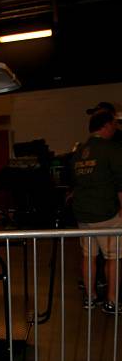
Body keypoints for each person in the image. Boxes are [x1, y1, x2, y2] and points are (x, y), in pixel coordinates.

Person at [72, 110, 122, 313]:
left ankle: (90, 298)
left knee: (88, 255)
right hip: (105, 213)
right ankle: (112, 300)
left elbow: (74, 182)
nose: (115, 129)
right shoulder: (111, 149)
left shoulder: (78, 151)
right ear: (106, 126)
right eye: (114, 125)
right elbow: (120, 183)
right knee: (113, 256)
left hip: (83, 212)